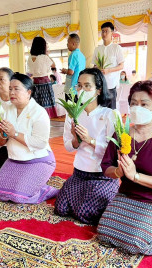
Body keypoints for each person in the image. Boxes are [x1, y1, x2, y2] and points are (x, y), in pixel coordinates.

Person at [98, 80, 152, 255]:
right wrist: (118, 171)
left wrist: (135, 176)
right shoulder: (121, 133)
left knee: (135, 243)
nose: (137, 108)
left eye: (144, 104)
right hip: (127, 194)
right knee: (104, 234)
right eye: (133, 103)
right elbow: (106, 167)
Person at [55, 68, 119, 225]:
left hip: (102, 175)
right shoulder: (73, 115)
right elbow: (68, 147)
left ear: (98, 90)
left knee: (86, 213)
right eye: (79, 86)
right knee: (61, 209)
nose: (81, 90)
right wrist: (77, 140)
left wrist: (90, 140)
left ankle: (112, 194)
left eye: (87, 86)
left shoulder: (110, 115)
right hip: (80, 173)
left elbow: (114, 152)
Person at [0, 73, 58, 204]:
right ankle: (32, 184)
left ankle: (46, 190)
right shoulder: (6, 110)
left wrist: (14, 133)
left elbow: (40, 143)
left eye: (16, 89)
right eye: (10, 88)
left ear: (28, 92)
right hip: (15, 160)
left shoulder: (39, 112)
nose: (12, 92)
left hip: (38, 160)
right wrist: (4, 134)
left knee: (19, 196)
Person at [92, 22, 124, 109]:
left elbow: (121, 66)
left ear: (112, 33)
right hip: (99, 85)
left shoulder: (116, 48)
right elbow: (94, 66)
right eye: (102, 31)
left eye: (106, 31)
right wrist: (98, 69)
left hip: (111, 85)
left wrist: (108, 70)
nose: (104, 33)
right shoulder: (97, 49)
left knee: (111, 112)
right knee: (100, 110)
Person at [27, 37, 57, 118]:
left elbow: (30, 72)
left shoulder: (29, 58)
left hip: (35, 82)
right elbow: (53, 65)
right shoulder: (44, 57)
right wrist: (47, 54)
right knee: (46, 102)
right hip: (44, 82)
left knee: (36, 102)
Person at [61, 33, 86, 100]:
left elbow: (70, 72)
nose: (67, 44)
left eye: (68, 42)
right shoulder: (82, 56)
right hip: (79, 86)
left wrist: (64, 71)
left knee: (70, 108)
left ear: (73, 44)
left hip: (71, 88)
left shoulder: (73, 55)